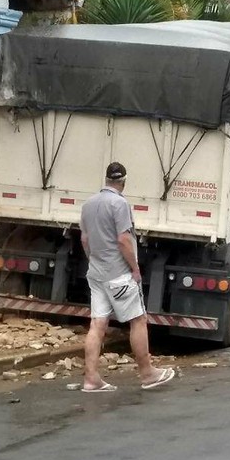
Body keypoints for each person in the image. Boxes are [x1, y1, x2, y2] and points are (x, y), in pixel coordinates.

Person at [79, 161, 175, 392]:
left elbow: (84, 239)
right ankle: (147, 373)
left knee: (97, 323)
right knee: (138, 320)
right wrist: (134, 268)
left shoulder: (89, 204)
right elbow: (123, 239)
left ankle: (91, 378)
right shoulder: (120, 204)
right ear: (123, 181)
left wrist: (93, 259)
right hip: (118, 275)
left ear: (106, 179)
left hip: (96, 273)